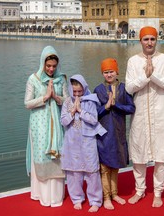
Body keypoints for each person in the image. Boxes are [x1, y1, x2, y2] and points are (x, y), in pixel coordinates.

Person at [125, 26, 164, 208]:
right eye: (145, 39)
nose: (149, 43)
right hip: (139, 114)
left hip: (161, 114)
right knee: (139, 156)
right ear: (140, 41)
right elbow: (129, 88)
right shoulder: (133, 61)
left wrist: (153, 76)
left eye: (152, 39)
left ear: (157, 40)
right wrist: (145, 77)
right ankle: (140, 190)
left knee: (161, 155)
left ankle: (157, 192)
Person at [24, 45, 68, 207]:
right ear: (42, 63)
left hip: (57, 127)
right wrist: (44, 97)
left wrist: (56, 97)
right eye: (48, 66)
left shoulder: (61, 79)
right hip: (39, 125)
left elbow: (67, 100)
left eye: (54, 66)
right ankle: (40, 194)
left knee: (57, 156)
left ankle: (55, 197)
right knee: (41, 155)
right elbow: (27, 103)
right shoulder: (33, 79)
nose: (51, 69)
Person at [60, 74, 107, 212]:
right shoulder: (67, 102)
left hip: (88, 141)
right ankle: (77, 198)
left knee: (92, 171)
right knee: (74, 172)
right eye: (74, 92)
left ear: (85, 88)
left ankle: (95, 200)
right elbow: (63, 121)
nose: (77, 95)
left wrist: (80, 111)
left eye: (79, 91)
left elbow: (94, 120)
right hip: (72, 141)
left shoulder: (91, 100)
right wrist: (72, 111)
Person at [94, 58, 135, 210]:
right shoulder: (98, 90)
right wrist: (105, 107)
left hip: (118, 133)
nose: (109, 75)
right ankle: (106, 197)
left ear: (117, 71)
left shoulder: (124, 89)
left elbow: (131, 108)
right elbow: (94, 113)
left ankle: (115, 193)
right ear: (102, 73)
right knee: (104, 167)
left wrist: (115, 105)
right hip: (104, 134)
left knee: (115, 166)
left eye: (111, 71)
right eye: (106, 72)